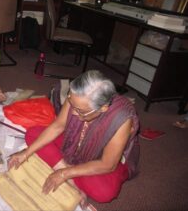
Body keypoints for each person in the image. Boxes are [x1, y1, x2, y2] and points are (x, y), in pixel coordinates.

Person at [8, 70, 140, 207]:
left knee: (105, 192)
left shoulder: (121, 120)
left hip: (101, 159)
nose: (74, 113)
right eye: (72, 103)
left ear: (103, 108)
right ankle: (74, 182)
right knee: (33, 133)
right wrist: (26, 153)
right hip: (75, 142)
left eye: (81, 111)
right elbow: (58, 126)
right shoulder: (76, 96)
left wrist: (64, 174)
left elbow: (107, 164)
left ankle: (67, 169)